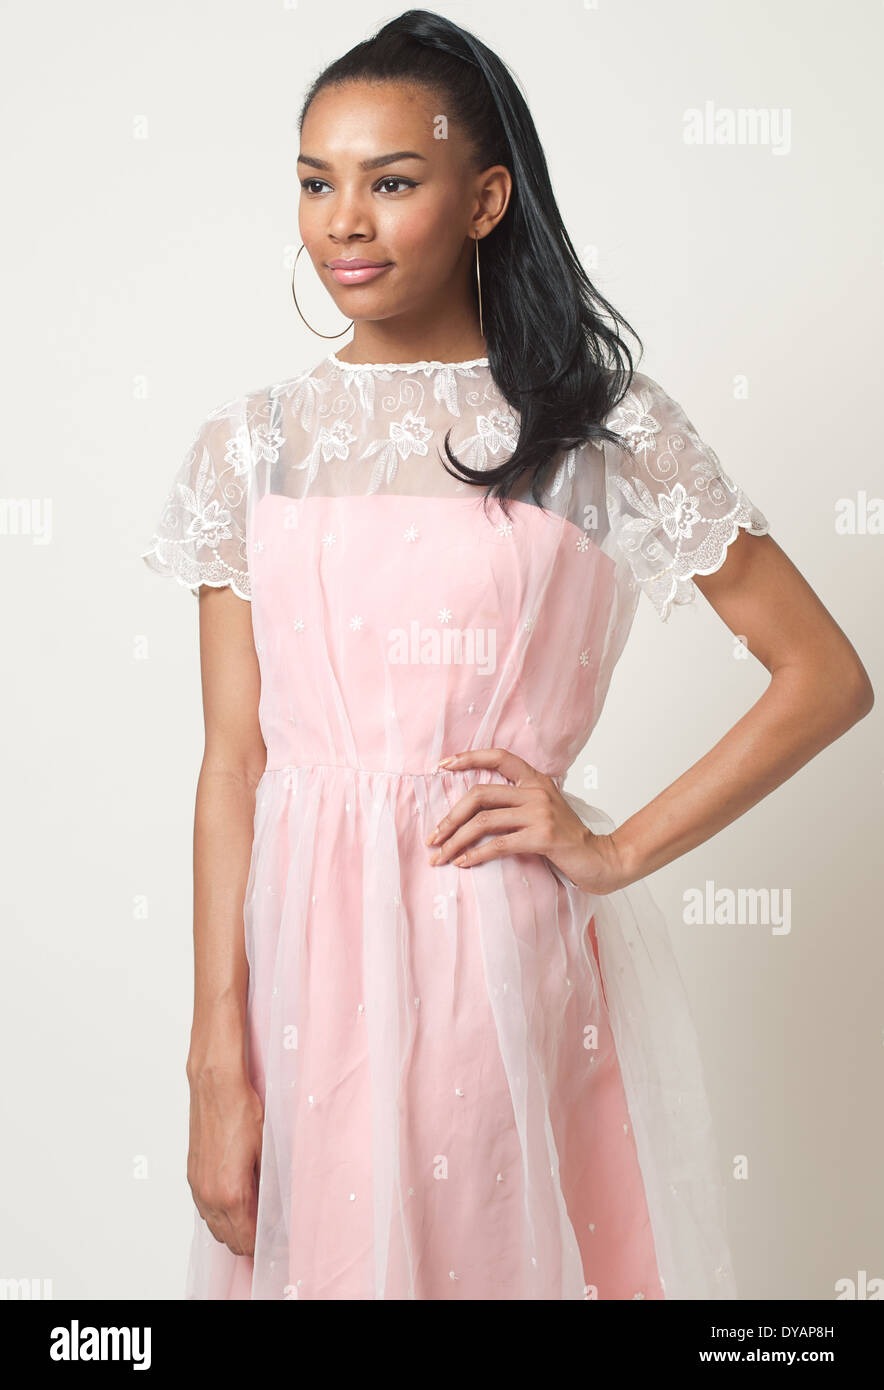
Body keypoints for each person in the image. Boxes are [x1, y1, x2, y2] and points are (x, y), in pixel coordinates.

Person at [140, 10, 873, 1301]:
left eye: (392, 181)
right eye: (317, 182)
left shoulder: (600, 429)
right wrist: (216, 1057)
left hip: (492, 939)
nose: (344, 222)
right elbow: (232, 761)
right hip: (298, 967)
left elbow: (824, 674)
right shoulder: (249, 446)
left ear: (485, 198)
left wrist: (618, 847)